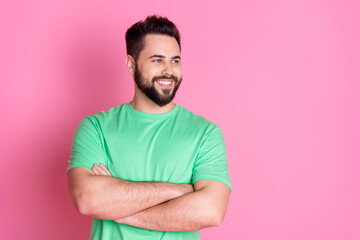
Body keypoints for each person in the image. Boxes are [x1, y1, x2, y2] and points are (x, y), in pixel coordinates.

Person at [66, 15, 232, 240]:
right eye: (157, 60)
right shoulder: (96, 128)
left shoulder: (205, 133)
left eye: (175, 60)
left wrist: (120, 211)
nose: (168, 70)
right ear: (131, 64)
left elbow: (211, 211)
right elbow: (87, 199)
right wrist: (179, 190)